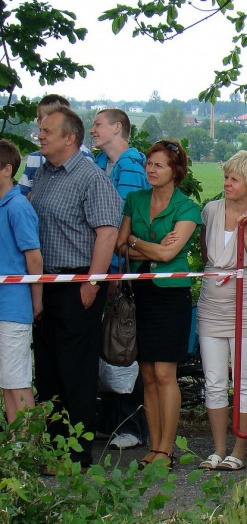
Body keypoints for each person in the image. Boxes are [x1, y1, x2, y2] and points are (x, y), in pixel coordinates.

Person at [30, 106, 122, 470]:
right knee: (49, 370)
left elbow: (108, 232)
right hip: (46, 285)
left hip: (77, 284)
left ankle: (77, 452)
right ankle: (54, 448)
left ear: (70, 137)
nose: (40, 135)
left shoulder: (90, 177)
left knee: (76, 371)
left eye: (47, 130)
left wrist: (93, 280)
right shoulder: (45, 174)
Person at [116, 140, 202, 469]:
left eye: (158, 165)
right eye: (149, 163)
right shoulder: (134, 199)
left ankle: (166, 450)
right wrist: (144, 244)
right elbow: (121, 246)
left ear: (175, 171)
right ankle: (153, 447)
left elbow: (168, 256)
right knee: (147, 374)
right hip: (139, 293)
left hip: (170, 295)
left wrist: (138, 244)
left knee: (166, 373)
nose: (150, 169)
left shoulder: (186, 208)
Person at [197, 151, 247, 471]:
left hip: (244, 309)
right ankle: (217, 449)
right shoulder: (211, 209)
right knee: (214, 380)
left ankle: (240, 449)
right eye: (226, 176)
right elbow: (206, 252)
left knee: (244, 379)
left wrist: (246, 234)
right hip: (210, 307)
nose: (227, 183)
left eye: (234, 178)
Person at [90, 108, 149, 450]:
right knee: (106, 344)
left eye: (98, 124)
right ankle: (111, 421)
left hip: (120, 270)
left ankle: (131, 425)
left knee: (123, 344)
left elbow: (117, 221)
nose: (92, 129)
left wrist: (111, 271)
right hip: (106, 267)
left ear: (117, 128)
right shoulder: (102, 163)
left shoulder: (128, 165)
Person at [0, 140, 42, 434]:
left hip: (13, 306)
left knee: (17, 381)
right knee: (6, 382)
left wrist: (36, 301)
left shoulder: (17, 206)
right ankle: (16, 447)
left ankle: (29, 447)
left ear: (6, 170)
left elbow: (34, 258)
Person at [19, 94, 93, 197]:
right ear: (39, 122)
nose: (40, 136)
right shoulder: (36, 162)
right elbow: (22, 195)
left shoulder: (86, 161)